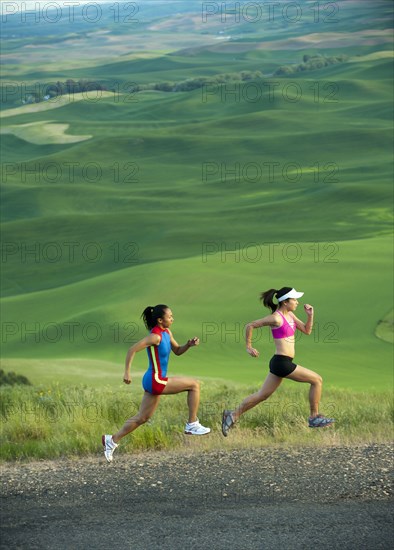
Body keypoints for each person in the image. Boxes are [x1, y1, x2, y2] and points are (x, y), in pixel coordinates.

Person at [102, 304, 210, 462]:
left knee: (142, 418)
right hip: (156, 379)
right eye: (169, 316)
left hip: (153, 380)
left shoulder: (167, 332)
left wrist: (188, 345)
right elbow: (132, 349)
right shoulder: (155, 337)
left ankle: (112, 440)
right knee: (194, 385)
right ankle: (192, 424)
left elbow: (177, 351)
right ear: (160, 320)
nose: (172, 318)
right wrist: (127, 372)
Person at [222, 287, 335, 436]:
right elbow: (250, 325)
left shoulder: (291, 316)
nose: (297, 302)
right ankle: (314, 417)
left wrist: (310, 316)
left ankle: (232, 415)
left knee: (262, 395)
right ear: (285, 302)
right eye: (294, 299)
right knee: (317, 380)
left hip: (280, 363)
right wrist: (249, 346)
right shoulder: (276, 318)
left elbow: (307, 330)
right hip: (282, 363)